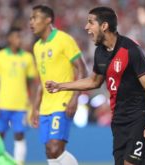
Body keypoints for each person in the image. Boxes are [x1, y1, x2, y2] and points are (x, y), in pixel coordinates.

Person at [45, 6, 145, 165]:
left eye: (91, 23)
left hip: (139, 115)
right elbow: (94, 81)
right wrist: (61, 86)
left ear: (104, 26)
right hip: (118, 118)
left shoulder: (130, 49)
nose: (86, 27)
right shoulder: (100, 52)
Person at [29, 5, 87, 165]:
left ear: (48, 20)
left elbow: (82, 69)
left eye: (35, 18)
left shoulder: (63, 39)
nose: (31, 22)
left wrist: (75, 98)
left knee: (55, 148)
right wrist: (35, 107)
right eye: (30, 18)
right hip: (45, 106)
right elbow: (42, 81)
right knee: (49, 151)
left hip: (63, 101)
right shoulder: (37, 47)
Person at [0, 28, 36, 165]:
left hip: (21, 105)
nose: (19, 40)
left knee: (19, 135)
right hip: (3, 103)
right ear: (9, 39)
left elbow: (32, 83)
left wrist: (32, 104)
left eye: (20, 37)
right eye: (16, 37)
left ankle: (19, 162)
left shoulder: (27, 57)